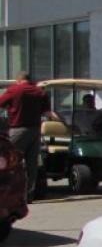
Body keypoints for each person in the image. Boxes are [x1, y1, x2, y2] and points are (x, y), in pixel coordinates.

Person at [0, 71, 60, 201]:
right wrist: (61, 122)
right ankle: (28, 195)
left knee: (6, 159)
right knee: (31, 164)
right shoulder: (40, 92)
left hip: (18, 130)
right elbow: (48, 112)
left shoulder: (15, 90)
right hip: (35, 131)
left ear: (19, 80)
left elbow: (1, 103)